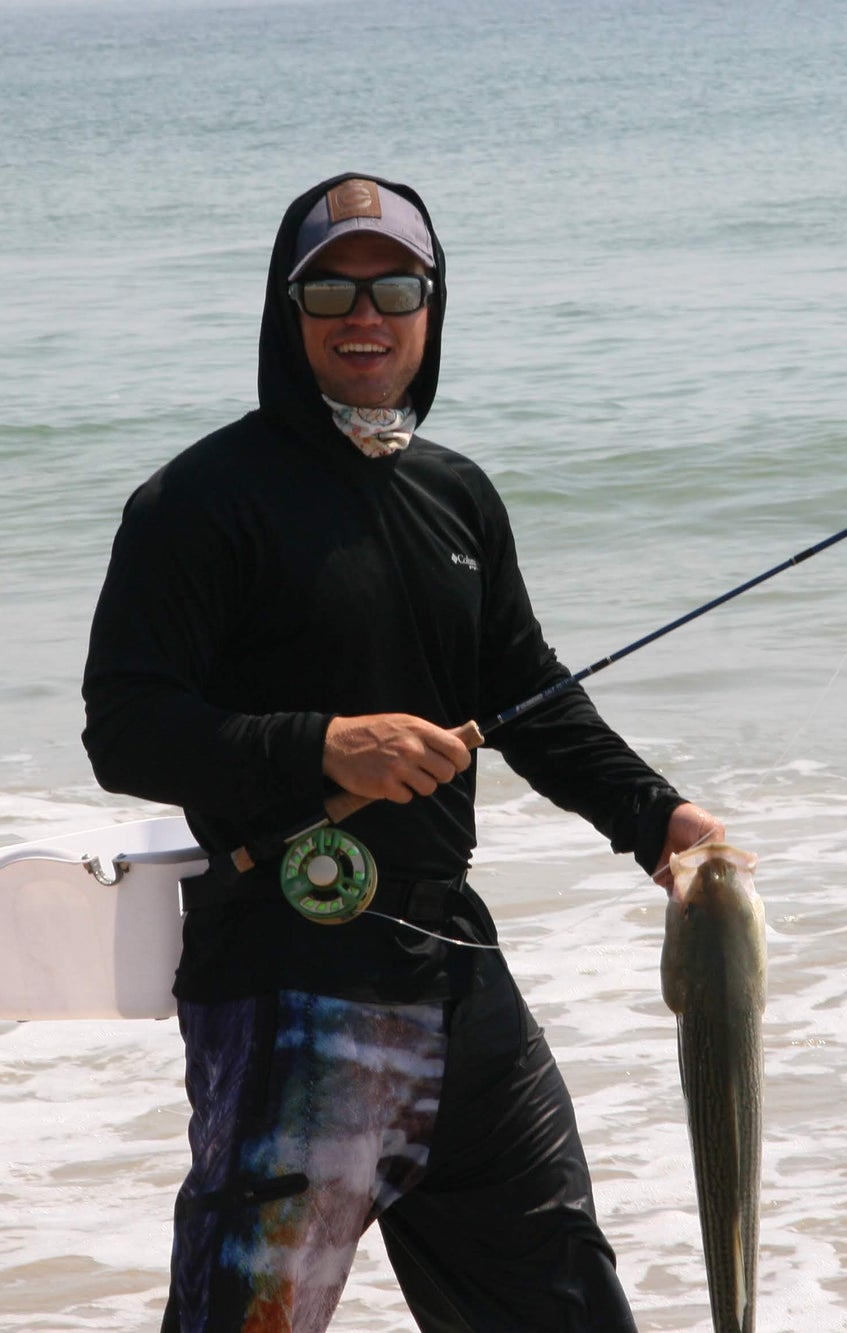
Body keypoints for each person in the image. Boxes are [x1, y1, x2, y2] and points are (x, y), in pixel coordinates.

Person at [83, 173, 723, 1333]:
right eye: (330, 285)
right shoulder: (196, 501)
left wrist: (657, 821)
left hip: (459, 981)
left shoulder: (455, 496)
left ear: (432, 307)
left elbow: (529, 697)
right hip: (289, 985)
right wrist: (326, 744)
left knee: (570, 1308)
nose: (363, 313)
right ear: (288, 309)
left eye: (395, 286)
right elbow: (123, 727)